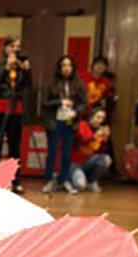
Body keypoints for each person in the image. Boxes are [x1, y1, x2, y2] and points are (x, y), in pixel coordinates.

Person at [0, 36, 32, 193]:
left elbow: (27, 86)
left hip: (15, 109)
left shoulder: (19, 65)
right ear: (4, 47)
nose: (15, 49)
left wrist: (27, 70)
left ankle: (15, 180)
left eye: (18, 46)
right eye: (12, 46)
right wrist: (5, 69)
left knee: (14, 148)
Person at [41, 55, 87, 194]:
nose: (66, 68)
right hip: (54, 122)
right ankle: (48, 180)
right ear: (59, 68)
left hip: (70, 122)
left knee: (67, 153)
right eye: (63, 65)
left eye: (69, 65)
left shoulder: (79, 84)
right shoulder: (51, 84)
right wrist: (59, 103)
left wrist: (76, 112)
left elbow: (83, 103)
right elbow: (44, 103)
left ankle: (64, 179)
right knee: (52, 152)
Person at [70, 107, 112, 192]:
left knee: (106, 159)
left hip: (88, 161)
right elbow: (80, 141)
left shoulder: (101, 129)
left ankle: (92, 181)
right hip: (75, 162)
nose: (100, 120)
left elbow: (99, 152)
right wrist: (94, 136)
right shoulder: (82, 125)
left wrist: (105, 140)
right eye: (98, 117)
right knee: (80, 185)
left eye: (102, 118)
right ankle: (69, 180)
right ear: (91, 117)